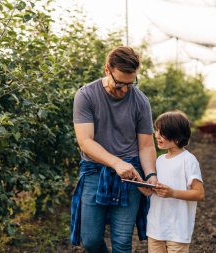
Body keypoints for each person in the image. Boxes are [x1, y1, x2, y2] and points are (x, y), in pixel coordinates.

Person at [71, 46, 157, 253]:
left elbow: (145, 145)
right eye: (119, 83)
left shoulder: (140, 101)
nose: (125, 89)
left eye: (130, 83)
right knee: (90, 240)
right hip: (95, 171)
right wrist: (117, 163)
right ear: (107, 70)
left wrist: (151, 174)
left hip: (131, 175)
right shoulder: (86, 95)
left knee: (122, 242)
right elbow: (85, 142)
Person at [147, 111, 205, 253]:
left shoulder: (188, 160)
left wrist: (172, 193)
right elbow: (153, 191)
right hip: (156, 228)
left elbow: (199, 194)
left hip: (177, 230)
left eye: (162, 132)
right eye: (156, 130)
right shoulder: (159, 161)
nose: (157, 135)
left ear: (177, 138)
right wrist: (139, 182)